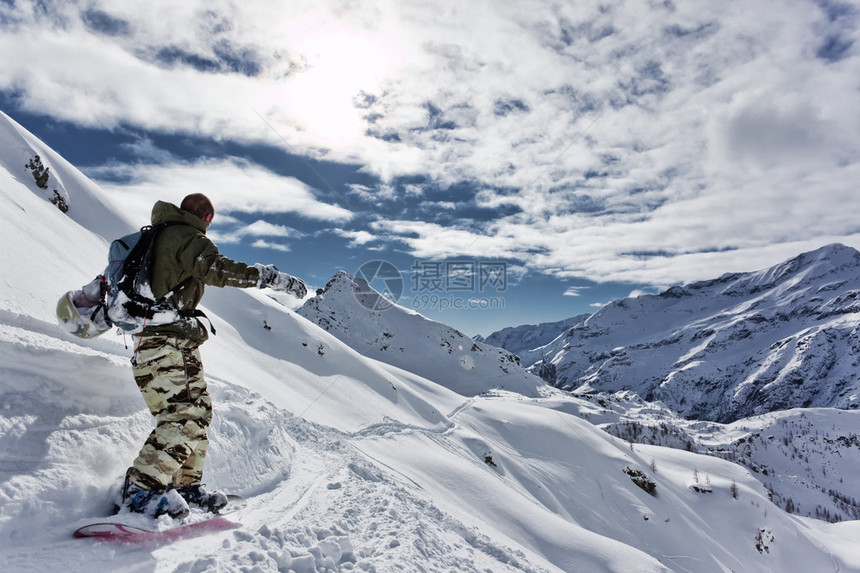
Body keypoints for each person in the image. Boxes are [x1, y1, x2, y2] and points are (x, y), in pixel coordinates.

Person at [119, 193, 307, 518]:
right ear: (207, 219)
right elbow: (217, 270)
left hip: (168, 340)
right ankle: (141, 490)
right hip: (165, 342)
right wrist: (268, 277)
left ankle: (185, 485)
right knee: (183, 417)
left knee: (199, 412)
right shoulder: (187, 237)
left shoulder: (162, 235)